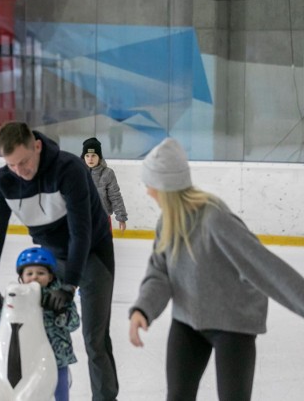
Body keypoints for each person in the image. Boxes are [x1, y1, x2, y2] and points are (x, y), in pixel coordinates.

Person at [128, 137, 304, 401]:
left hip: (233, 323)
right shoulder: (168, 222)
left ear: (167, 187)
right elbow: (159, 272)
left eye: (150, 185)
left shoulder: (214, 221)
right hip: (188, 319)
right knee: (177, 396)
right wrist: (143, 308)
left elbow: (266, 267)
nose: (148, 192)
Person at [0, 121, 119, 400]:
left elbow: (82, 232)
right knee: (38, 330)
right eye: (12, 165)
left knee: (94, 338)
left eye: (24, 162)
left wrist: (69, 286)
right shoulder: (4, 182)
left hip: (92, 252)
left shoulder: (69, 170)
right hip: (51, 257)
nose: (20, 171)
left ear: (38, 147)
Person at [0, 247, 80, 401]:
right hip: (30, 359)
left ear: (50, 276)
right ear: (21, 278)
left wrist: (61, 313)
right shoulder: (17, 298)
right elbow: (6, 327)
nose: (35, 277)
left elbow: (74, 324)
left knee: (60, 395)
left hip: (58, 359)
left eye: (41, 273)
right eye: (29, 273)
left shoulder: (60, 297)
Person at [81, 137, 128, 232]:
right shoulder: (78, 172)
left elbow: (115, 196)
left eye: (93, 155)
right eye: (87, 155)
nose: (90, 159)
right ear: (83, 157)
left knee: (103, 246)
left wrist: (121, 217)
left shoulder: (108, 173)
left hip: (102, 219)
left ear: (99, 157)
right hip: (81, 219)